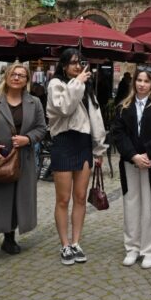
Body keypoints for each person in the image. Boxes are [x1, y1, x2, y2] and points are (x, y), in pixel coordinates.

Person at [0, 62, 48, 265]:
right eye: (13, 74)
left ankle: (9, 238)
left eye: (21, 75)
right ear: (7, 77)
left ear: (27, 80)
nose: (17, 78)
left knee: (17, 197)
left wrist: (28, 139)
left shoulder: (34, 102)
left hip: (22, 158)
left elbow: (42, 129)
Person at [47, 49, 108, 265]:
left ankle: (76, 242)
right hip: (63, 142)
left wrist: (99, 149)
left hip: (83, 144)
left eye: (79, 62)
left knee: (81, 197)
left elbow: (96, 120)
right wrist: (78, 82)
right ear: (63, 66)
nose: (76, 66)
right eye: (72, 63)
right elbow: (64, 108)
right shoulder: (56, 85)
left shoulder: (86, 88)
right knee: (63, 199)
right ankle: (64, 245)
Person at [111, 65, 151, 269]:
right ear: (134, 82)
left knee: (150, 206)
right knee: (131, 204)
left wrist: (148, 153)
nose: (142, 84)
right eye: (139, 80)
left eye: (146, 81)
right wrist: (132, 155)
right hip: (130, 162)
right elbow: (118, 133)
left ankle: (149, 249)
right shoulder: (123, 106)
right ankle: (132, 247)